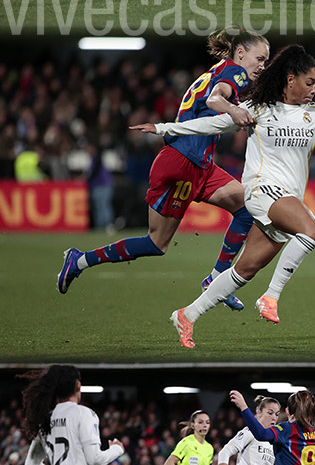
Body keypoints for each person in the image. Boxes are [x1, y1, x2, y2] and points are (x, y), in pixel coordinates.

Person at [133, 44, 315, 347]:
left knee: (244, 270)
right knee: (311, 230)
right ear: (290, 80)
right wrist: (163, 127)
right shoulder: (259, 108)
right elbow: (211, 123)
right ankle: (270, 297)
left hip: (287, 198)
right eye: (310, 82)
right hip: (261, 190)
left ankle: (187, 315)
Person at [58, 30, 269, 316]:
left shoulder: (219, 70)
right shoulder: (235, 73)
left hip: (199, 164)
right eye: (259, 59)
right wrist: (232, 110)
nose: (262, 66)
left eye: (266, 61)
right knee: (157, 243)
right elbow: (215, 100)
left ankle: (217, 279)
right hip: (183, 163)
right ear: (240, 53)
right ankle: (80, 260)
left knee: (247, 209)